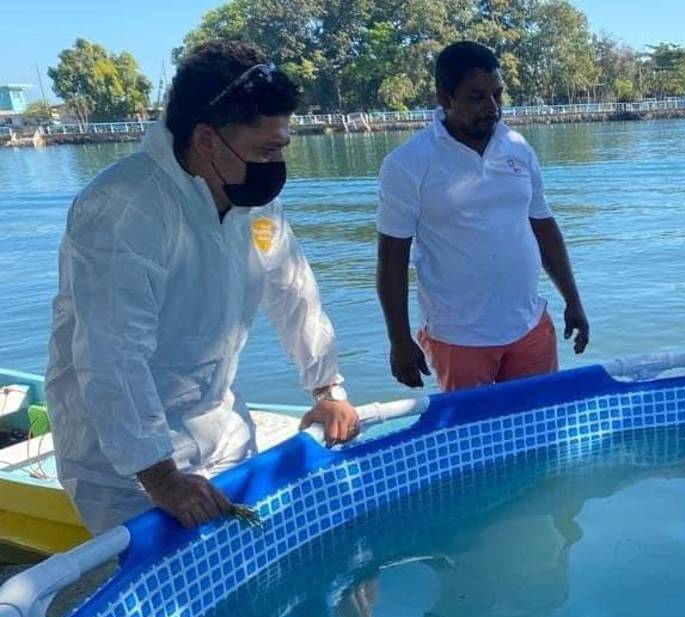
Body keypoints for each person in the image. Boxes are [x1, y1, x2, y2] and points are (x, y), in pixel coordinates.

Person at [45, 40, 359, 534]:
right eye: (265, 150)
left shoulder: (252, 201)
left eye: (281, 148)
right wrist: (162, 476)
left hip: (219, 426)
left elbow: (295, 293)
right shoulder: (124, 209)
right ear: (208, 140)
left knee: (252, 571)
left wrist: (327, 387)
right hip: (122, 463)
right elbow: (112, 354)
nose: (276, 165)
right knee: (160, 599)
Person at [375, 40, 590, 393]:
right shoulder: (408, 163)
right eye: (477, 97)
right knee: (470, 441)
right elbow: (392, 258)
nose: (491, 108)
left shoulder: (518, 147)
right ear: (445, 97)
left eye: (497, 95)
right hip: (458, 338)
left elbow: (543, 226)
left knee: (540, 434)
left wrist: (573, 300)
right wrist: (398, 339)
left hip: (529, 326)